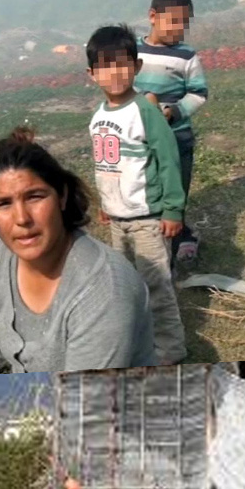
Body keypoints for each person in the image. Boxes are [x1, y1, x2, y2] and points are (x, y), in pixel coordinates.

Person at [0, 126, 155, 375]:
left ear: (62, 196)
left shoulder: (104, 289)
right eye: (3, 204)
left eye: (34, 197)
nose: (22, 218)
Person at [86, 23, 188, 365]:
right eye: (104, 66)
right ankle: (139, 342)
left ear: (137, 66)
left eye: (122, 64)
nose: (114, 73)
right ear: (91, 74)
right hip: (118, 220)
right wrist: (105, 204)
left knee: (157, 288)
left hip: (148, 220)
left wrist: (173, 210)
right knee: (126, 287)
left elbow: (169, 160)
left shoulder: (144, 111)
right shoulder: (98, 116)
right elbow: (106, 164)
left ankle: (170, 352)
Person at [134, 0, 208, 264]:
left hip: (178, 139)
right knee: (150, 189)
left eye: (185, 24)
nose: (180, 29)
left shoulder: (186, 56)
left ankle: (180, 237)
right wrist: (144, 106)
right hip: (144, 140)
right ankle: (152, 241)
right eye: (174, 21)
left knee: (176, 191)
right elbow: (125, 87)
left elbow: (199, 94)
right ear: (153, 16)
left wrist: (172, 112)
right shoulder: (134, 52)